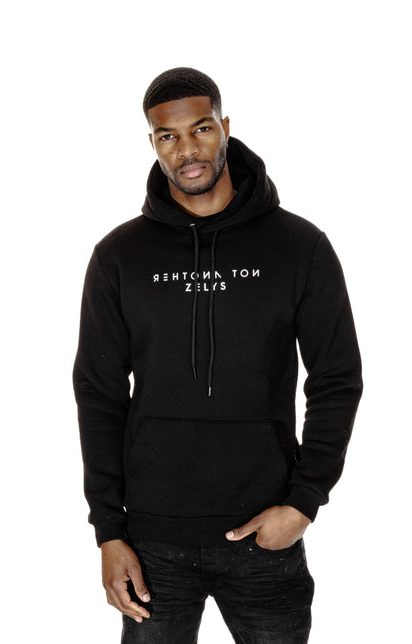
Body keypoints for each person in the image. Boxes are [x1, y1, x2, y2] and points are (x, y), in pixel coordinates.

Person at [73, 67, 363, 643]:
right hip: (151, 544)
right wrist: (108, 530)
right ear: (153, 143)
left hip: (264, 537)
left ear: (225, 127)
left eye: (201, 129)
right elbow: (99, 392)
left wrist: (303, 503)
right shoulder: (119, 256)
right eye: (168, 136)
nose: (187, 149)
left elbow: (337, 378)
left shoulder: (299, 247)